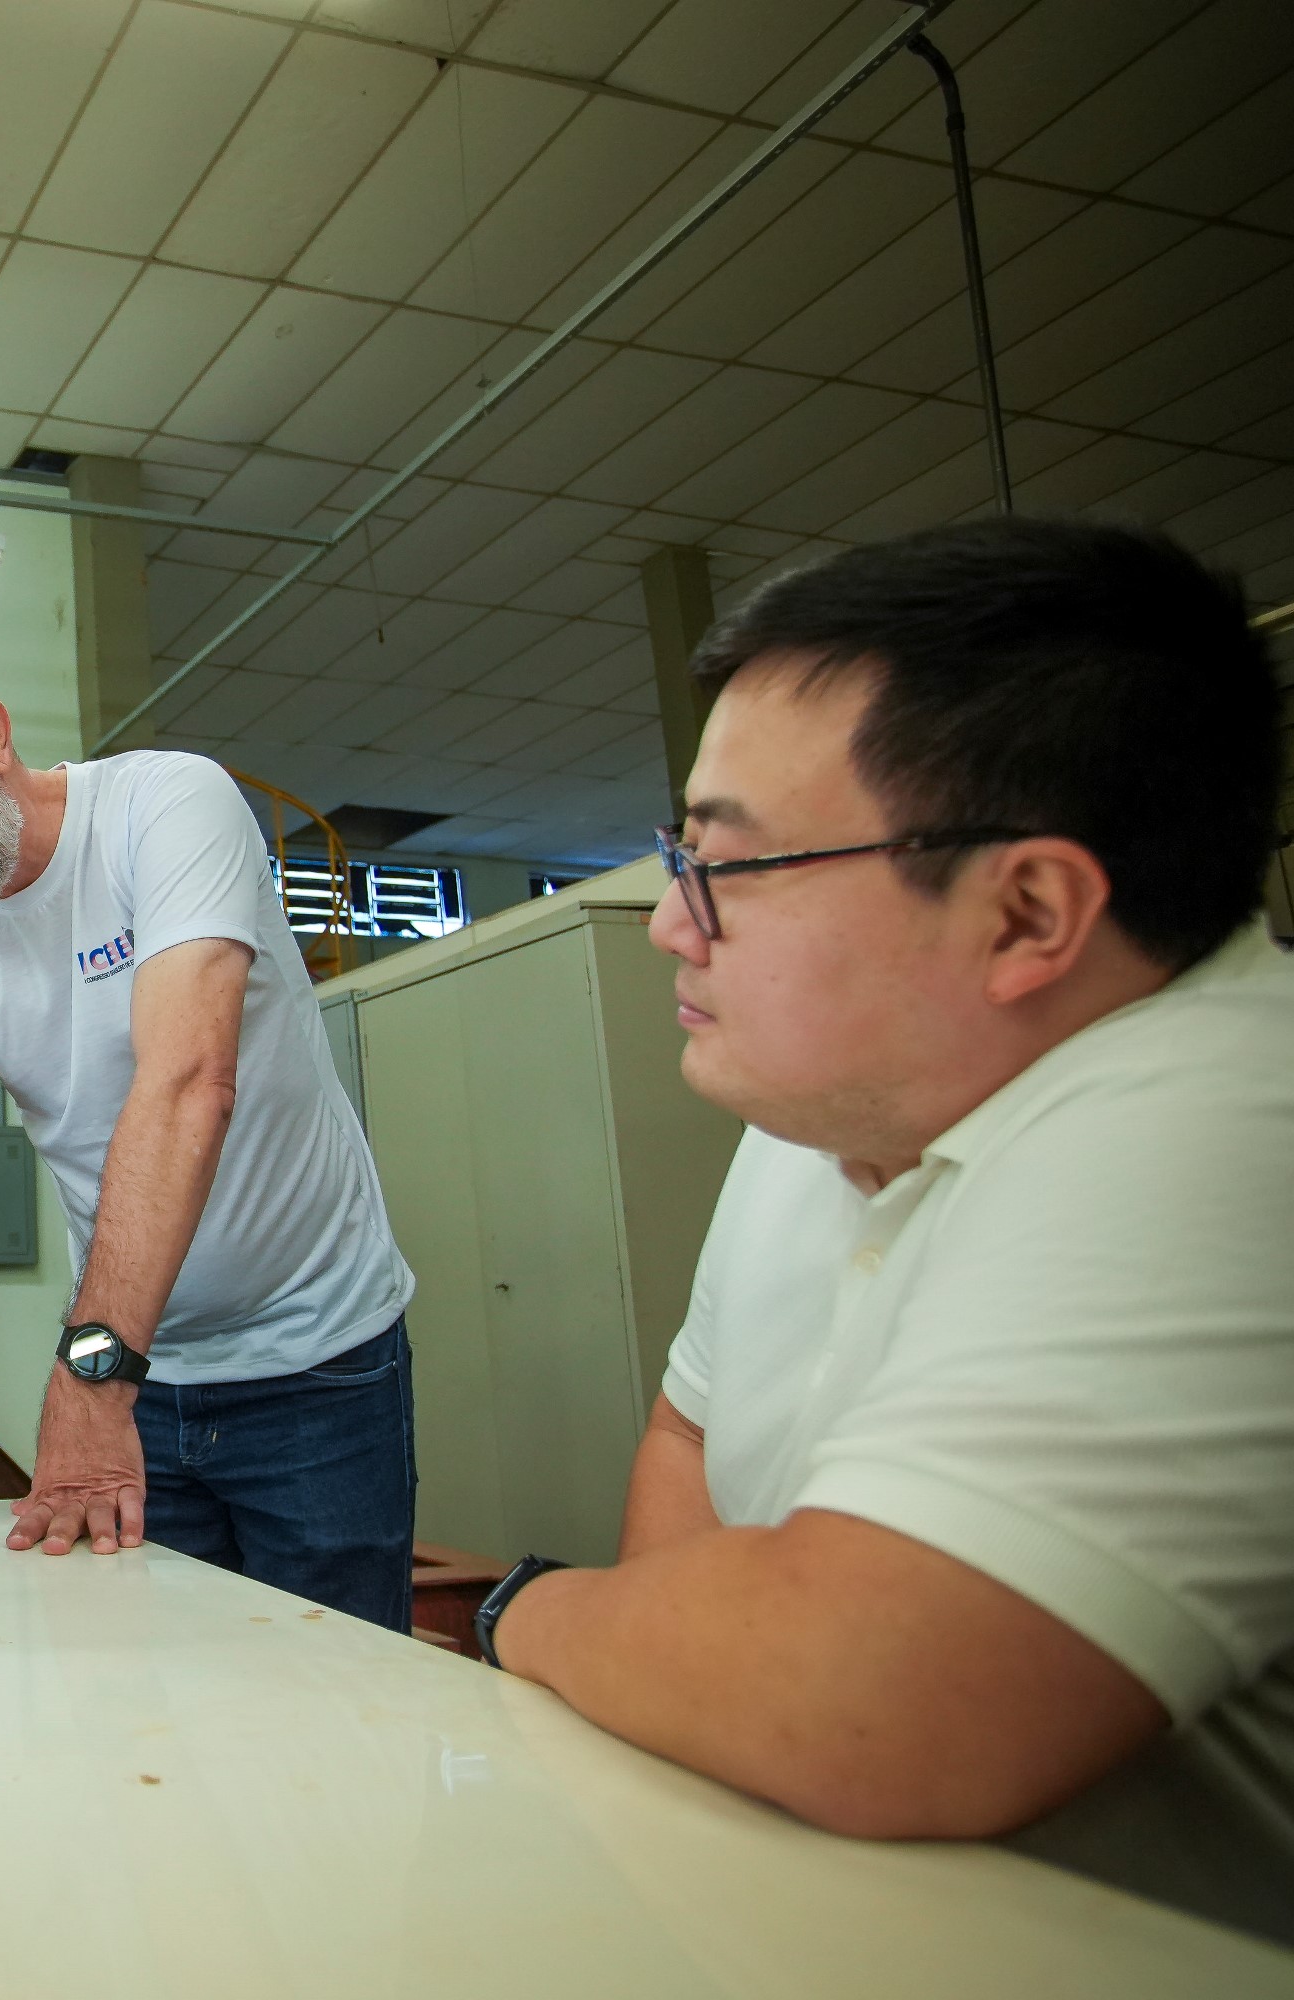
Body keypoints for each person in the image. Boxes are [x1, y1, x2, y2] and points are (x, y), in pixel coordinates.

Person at [476, 517, 1292, 1943]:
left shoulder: (1236, 1107)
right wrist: (691, 1671)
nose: (672, 924)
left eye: (722, 865)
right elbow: (689, 1436)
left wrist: (527, 1615)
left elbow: (862, 1693)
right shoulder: (823, 1116)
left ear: (1026, 910)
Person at [0, 624, 418, 1627]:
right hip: (137, 1368)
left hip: (314, 1360)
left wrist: (91, 1378)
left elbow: (186, 1083)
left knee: (339, 1703)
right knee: (155, 1701)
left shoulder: (166, 807)